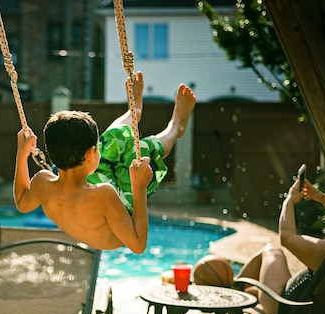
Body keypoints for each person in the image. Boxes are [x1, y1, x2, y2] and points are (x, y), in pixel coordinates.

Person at [13, 71, 196, 253]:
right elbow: (138, 245)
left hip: (89, 191)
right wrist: (138, 187)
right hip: (120, 221)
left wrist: (22, 153)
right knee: (142, 150)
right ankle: (175, 128)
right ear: (92, 153)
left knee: (112, 140)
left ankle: (135, 111)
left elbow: (22, 202)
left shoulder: (42, 182)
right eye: (96, 147)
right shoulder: (104, 195)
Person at [237, 177, 325, 314]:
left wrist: (290, 199)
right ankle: (247, 292)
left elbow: (287, 237)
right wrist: (323, 199)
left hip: (283, 304)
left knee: (271, 250)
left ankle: (232, 295)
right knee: (263, 282)